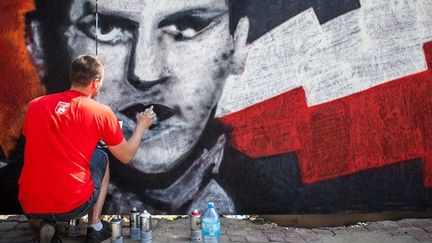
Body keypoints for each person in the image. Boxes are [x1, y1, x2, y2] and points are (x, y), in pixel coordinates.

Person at [18, 55, 155, 242]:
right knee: (100, 155)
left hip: (29, 203)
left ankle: (45, 224)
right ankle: (95, 225)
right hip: (73, 204)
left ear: (72, 77)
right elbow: (126, 156)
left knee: (38, 206)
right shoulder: (101, 112)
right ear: (95, 82)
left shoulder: (35, 105)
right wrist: (141, 126)